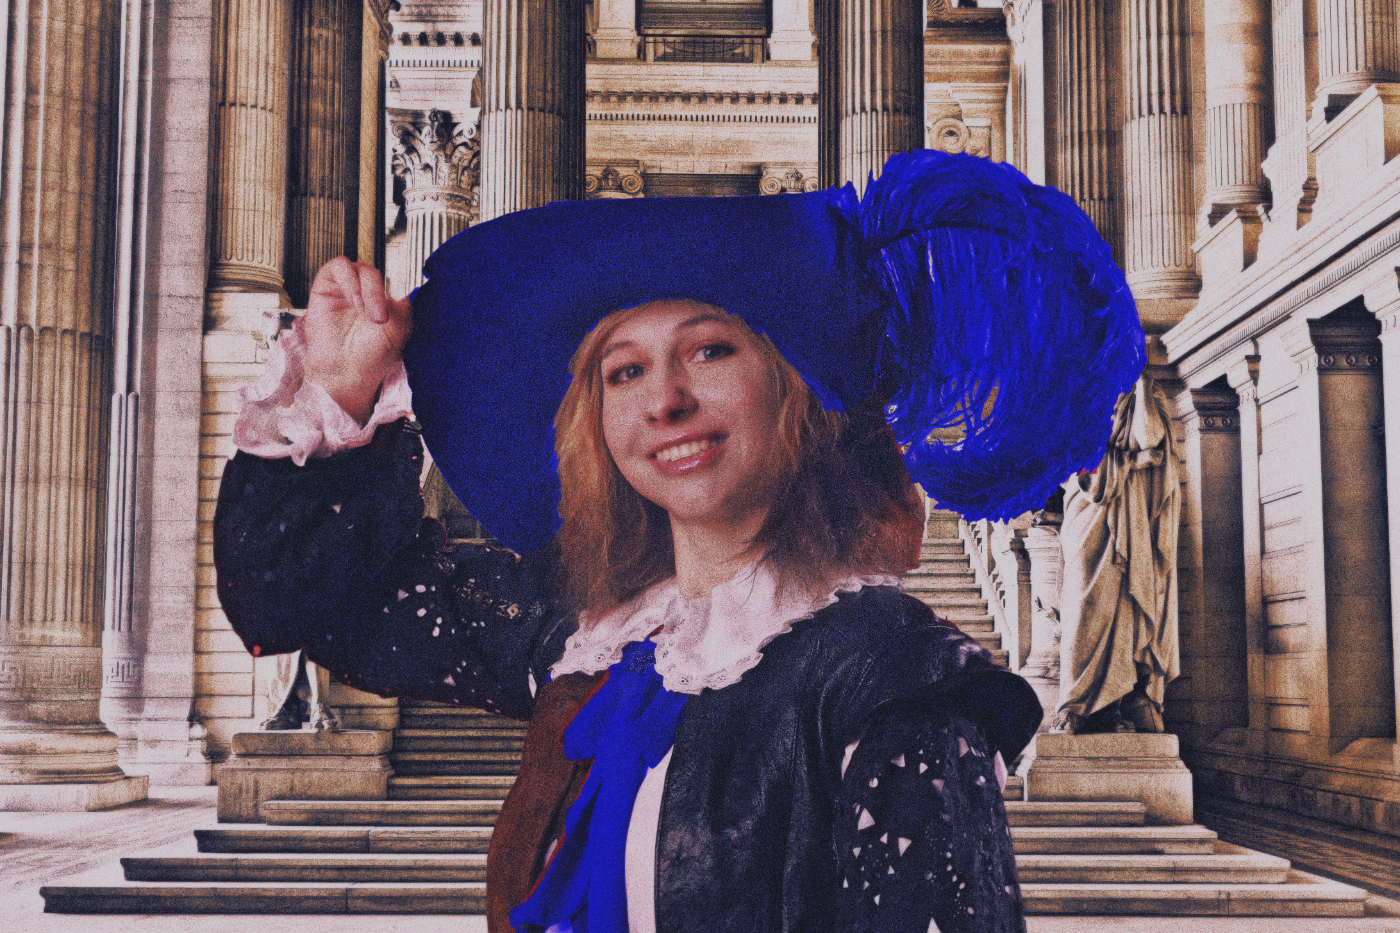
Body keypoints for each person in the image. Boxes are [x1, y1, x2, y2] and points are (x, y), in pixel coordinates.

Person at [215, 151, 1144, 933]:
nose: (665, 399)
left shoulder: (896, 685)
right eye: (624, 371)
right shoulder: (588, 637)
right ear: (595, 424)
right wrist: (339, 389)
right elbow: (301, 602)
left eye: (711, 350)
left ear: (796, 392)